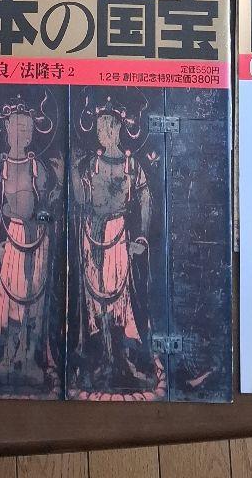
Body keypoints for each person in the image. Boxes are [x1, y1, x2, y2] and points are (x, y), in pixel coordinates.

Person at [0, 97, 61, 395]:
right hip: (11, 238)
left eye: (27, 128)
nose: (22, 134)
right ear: (6, 130)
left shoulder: (38, 167)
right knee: (11, 301)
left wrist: (55, 194)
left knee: (34, 300)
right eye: (17, 128)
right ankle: (9, 359)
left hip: (38, 239)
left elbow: (47, 201)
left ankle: (31, 359)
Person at [72, 98, 158, 397]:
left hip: (119, 234)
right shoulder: (89, 165)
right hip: (92, 235)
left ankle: (121, 360)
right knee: (97, 300)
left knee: (121, 298)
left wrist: (141, 237)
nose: (104, 131)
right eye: (100, 127)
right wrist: (73, 173)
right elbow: (82, 200)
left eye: (110, 126)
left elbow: (145, 199)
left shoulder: (131, 166)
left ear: (120, 128)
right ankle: (104, 359)